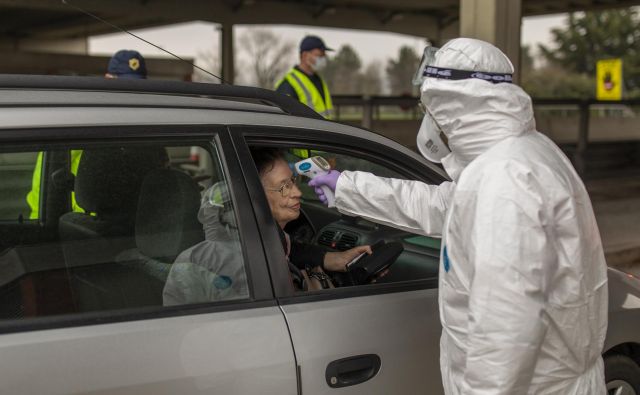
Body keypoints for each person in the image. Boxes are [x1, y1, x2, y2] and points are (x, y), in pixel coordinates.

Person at [309, 38, 608, 394]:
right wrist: (348, 187)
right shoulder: (519, 156)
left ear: (453, 104)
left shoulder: (504, 180)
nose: (432, 120)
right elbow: (440, 206)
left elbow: (506, 325)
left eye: (432, 105)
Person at [163, 148, 372, 305]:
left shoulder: (255, 241)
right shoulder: (238, 268)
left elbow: (285, 249)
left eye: (293, 181)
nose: (298, 193)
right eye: (284, 187)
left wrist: (333, 259)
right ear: (254, 198)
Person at [26, 50, 147, 219]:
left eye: (136, 85)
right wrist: (43, 233)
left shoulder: (146, 126)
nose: (130, 92)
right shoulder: (82, 120)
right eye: (123, 83)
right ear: (108, 78)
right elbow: (45, 189)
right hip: (81, 227)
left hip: (129, 226)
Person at [275, 35, 334, 119]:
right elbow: (284, 120)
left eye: (324, 56)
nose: (323, 59)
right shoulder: (288, 84)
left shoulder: (319, 80)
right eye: (320, 55)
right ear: (305, 55)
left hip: (326, 131)